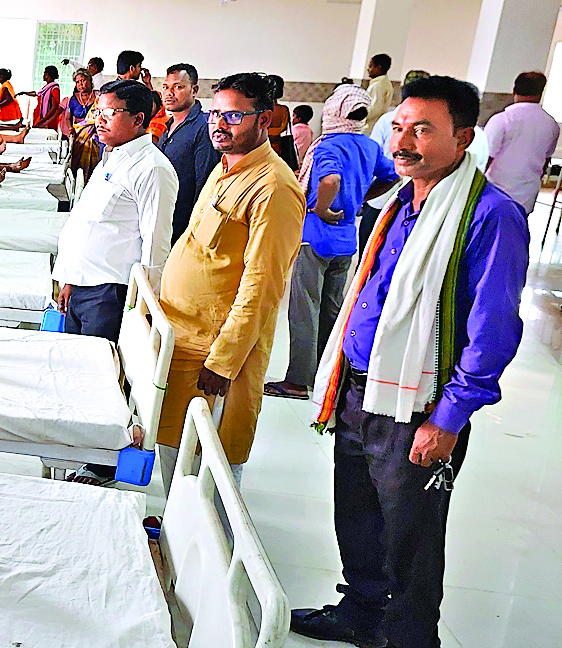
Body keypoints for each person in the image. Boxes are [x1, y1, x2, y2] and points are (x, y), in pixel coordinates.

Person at [291, 75, 529, 648]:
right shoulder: (399, 203)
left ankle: (409, 637)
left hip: (417, 404)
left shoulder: (489, 215)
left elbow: (493, 330)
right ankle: (361, 612)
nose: (402, 142)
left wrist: (448, 418)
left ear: (463, 137)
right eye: (398, 127)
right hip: (360, 389)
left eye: (422, 130)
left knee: (411, 536)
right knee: (357, 514)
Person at [154, 72, 305, 485]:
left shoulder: (274, 187)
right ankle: (172, 524)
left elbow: (263, 286)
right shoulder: (225, 168)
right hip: (183, 338)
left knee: (209, 468)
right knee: (175, 450)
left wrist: (224, 360)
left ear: (264, 119)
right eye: (215, 113)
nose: (219, 124)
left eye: (234, 116)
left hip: (214, 352)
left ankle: (205, 531)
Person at [264, 84, 398, 401]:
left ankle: (298, 382)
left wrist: (322, 208)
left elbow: (330, 179)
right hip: (346, 240)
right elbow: (392, 176)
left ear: (334, 111)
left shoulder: (329, 146)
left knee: (304, 310)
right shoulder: (368, 146)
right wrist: (360, 198)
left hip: (316, 238)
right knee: (331, 311)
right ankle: (326, 376)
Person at [53, 80, 179, 342]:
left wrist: (142, 308)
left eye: (110, 113)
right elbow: (87, 223)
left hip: (108, 295)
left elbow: (155, 244)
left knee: (95, 364)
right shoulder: (112, 157)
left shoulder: (152, 169)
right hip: (80, 286)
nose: (100, 120)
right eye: (98, 111)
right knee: (72, 360)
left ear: (138, 119)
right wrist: (69, 279)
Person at [362, 69, 431, 245]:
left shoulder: (388, 120)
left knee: (370, 247)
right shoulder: (431, 127)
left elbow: (371, 159)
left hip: (382, 195)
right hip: (411, 198)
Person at [158, 63, 223, 245]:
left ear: (194, 90)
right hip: (164, 218)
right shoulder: (168, 126)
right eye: (166, 87)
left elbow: (205, 182)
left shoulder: (202, 128)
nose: (169, 93)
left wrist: (195, 228)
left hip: (184, 225)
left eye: (178, 87)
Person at [484, 71, 560, 213]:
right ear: (541, 92)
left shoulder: (502, 119)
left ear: (514, 91)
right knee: (516, 225)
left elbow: (486, 158)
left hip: (495, 191)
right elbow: (545, 161)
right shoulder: (551, 125)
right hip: (527, 194)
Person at [60, 70, 104, 183]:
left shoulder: (99, 97)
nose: (80, 84)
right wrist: (70, 129)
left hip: (96, 134)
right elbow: (68, 118)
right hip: (78, 134)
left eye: (83, 80)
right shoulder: (73, 99)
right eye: (77, 82)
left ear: (90, 80)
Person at [266, 75, 299, 170]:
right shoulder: (284, 110)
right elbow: (284, 128)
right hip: (278, 147)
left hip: (260, 148)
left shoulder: (260, 110)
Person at [363, 53, 395, 133]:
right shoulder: (383, 83)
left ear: (378, 68)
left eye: (370, 66)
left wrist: (358, 116)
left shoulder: (378, 85)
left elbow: (374, 109)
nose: (368, 69)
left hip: (370, 127)